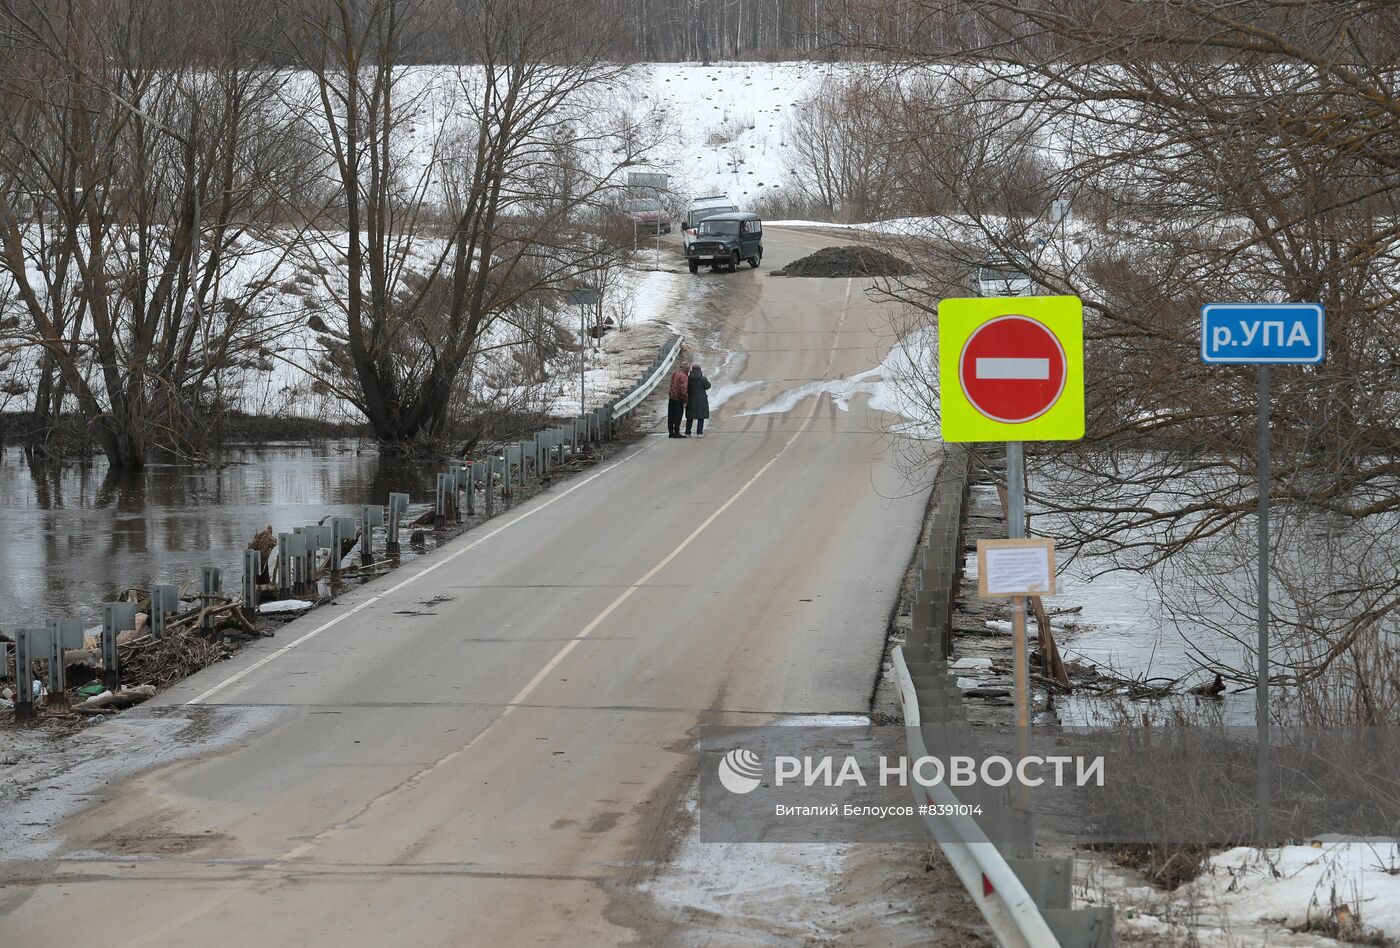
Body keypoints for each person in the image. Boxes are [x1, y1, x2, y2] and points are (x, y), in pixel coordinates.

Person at [685, 363, 711, 437]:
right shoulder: (702, 378)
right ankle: (699, 433)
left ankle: (687, 432)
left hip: (690, 399)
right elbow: (708, 386)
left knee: (690, 417)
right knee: (701, 416)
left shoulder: (688, 378)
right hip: (701, 400)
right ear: (700, 370)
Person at [667, 360, 690, 438]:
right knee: (678, 416)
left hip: (671, 397)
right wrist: (685, 400)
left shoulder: (675, 373)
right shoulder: (684, 376)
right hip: (678, 398)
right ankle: (676, 432)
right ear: (686, 369)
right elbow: (683, 389)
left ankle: (670, 432)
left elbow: (671, 384)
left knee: (671, 415)